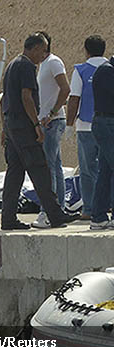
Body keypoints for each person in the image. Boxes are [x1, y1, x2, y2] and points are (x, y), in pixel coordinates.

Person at [0, 33, 77, 230]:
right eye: (42, 51)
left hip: (11, 125)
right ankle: (56, 215)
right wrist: (36, 124)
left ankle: (8, 219)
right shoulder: (26, 66)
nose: (43, 56)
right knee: (40, 169)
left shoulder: (11, 65)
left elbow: (3, 99)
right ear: (33, 49)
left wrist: (4, 128)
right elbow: (26, 97)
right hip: (23, 126)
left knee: (15, 173)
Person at [67, 35, 109, 221]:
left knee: (87, 170)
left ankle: (90, 209)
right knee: (107, 168)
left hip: (85, 126)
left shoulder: (81, 70)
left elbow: (74, 98)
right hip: (109, 126)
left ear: (86, 50)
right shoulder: (111, 68)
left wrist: (69, 124)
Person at [32, 31, 71, 228]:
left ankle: (48, 212)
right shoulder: (44, 66)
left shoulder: (54, 62)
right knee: (55, 167)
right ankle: (58, 210)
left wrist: (52, 113)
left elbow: (65, 88)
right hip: (49, 122)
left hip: (52, 123)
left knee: (48, 169)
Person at [86, 49, 114, 229]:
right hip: (105, 124)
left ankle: (98, 216)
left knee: (105, 171)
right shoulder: (107, 71)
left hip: (107, 123)